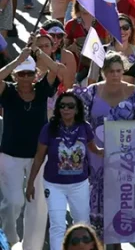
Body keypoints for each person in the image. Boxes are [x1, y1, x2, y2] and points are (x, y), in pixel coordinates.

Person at [78, 52, 135, 239]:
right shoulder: (91, 92)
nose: (115, 75)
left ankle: (117, 241)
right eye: (111, 71)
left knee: (120, 201)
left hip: (125, 157)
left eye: (119, 71)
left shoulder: (134, 93)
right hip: (95, 155)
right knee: (96, 199)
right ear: (103, 72)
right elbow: (81, 122)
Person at [0, 47, 61, 250]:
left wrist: (39, 53)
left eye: (29, 73)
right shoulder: (7, 91)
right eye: (21, 74)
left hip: (39, 156)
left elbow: (57, 70)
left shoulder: (42, 90)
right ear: (16, 75)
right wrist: (18, 60)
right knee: (14, 201)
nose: (25, 78)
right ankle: (10, 238)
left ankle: (31, 248)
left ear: (35, 75)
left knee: (38, 204)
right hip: (10, 155)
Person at [26, 91, 102, 248]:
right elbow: (39, 157)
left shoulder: (84, 128)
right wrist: (30, 183)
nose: (66, 109)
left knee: (83, 225)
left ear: (77, 109)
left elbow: (94, 149)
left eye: (70, 106)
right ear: (58, 109)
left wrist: (114, 149)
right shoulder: (49, 129)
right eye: (62, 106)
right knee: (57, 225)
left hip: (79, 185)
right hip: (54, 186)